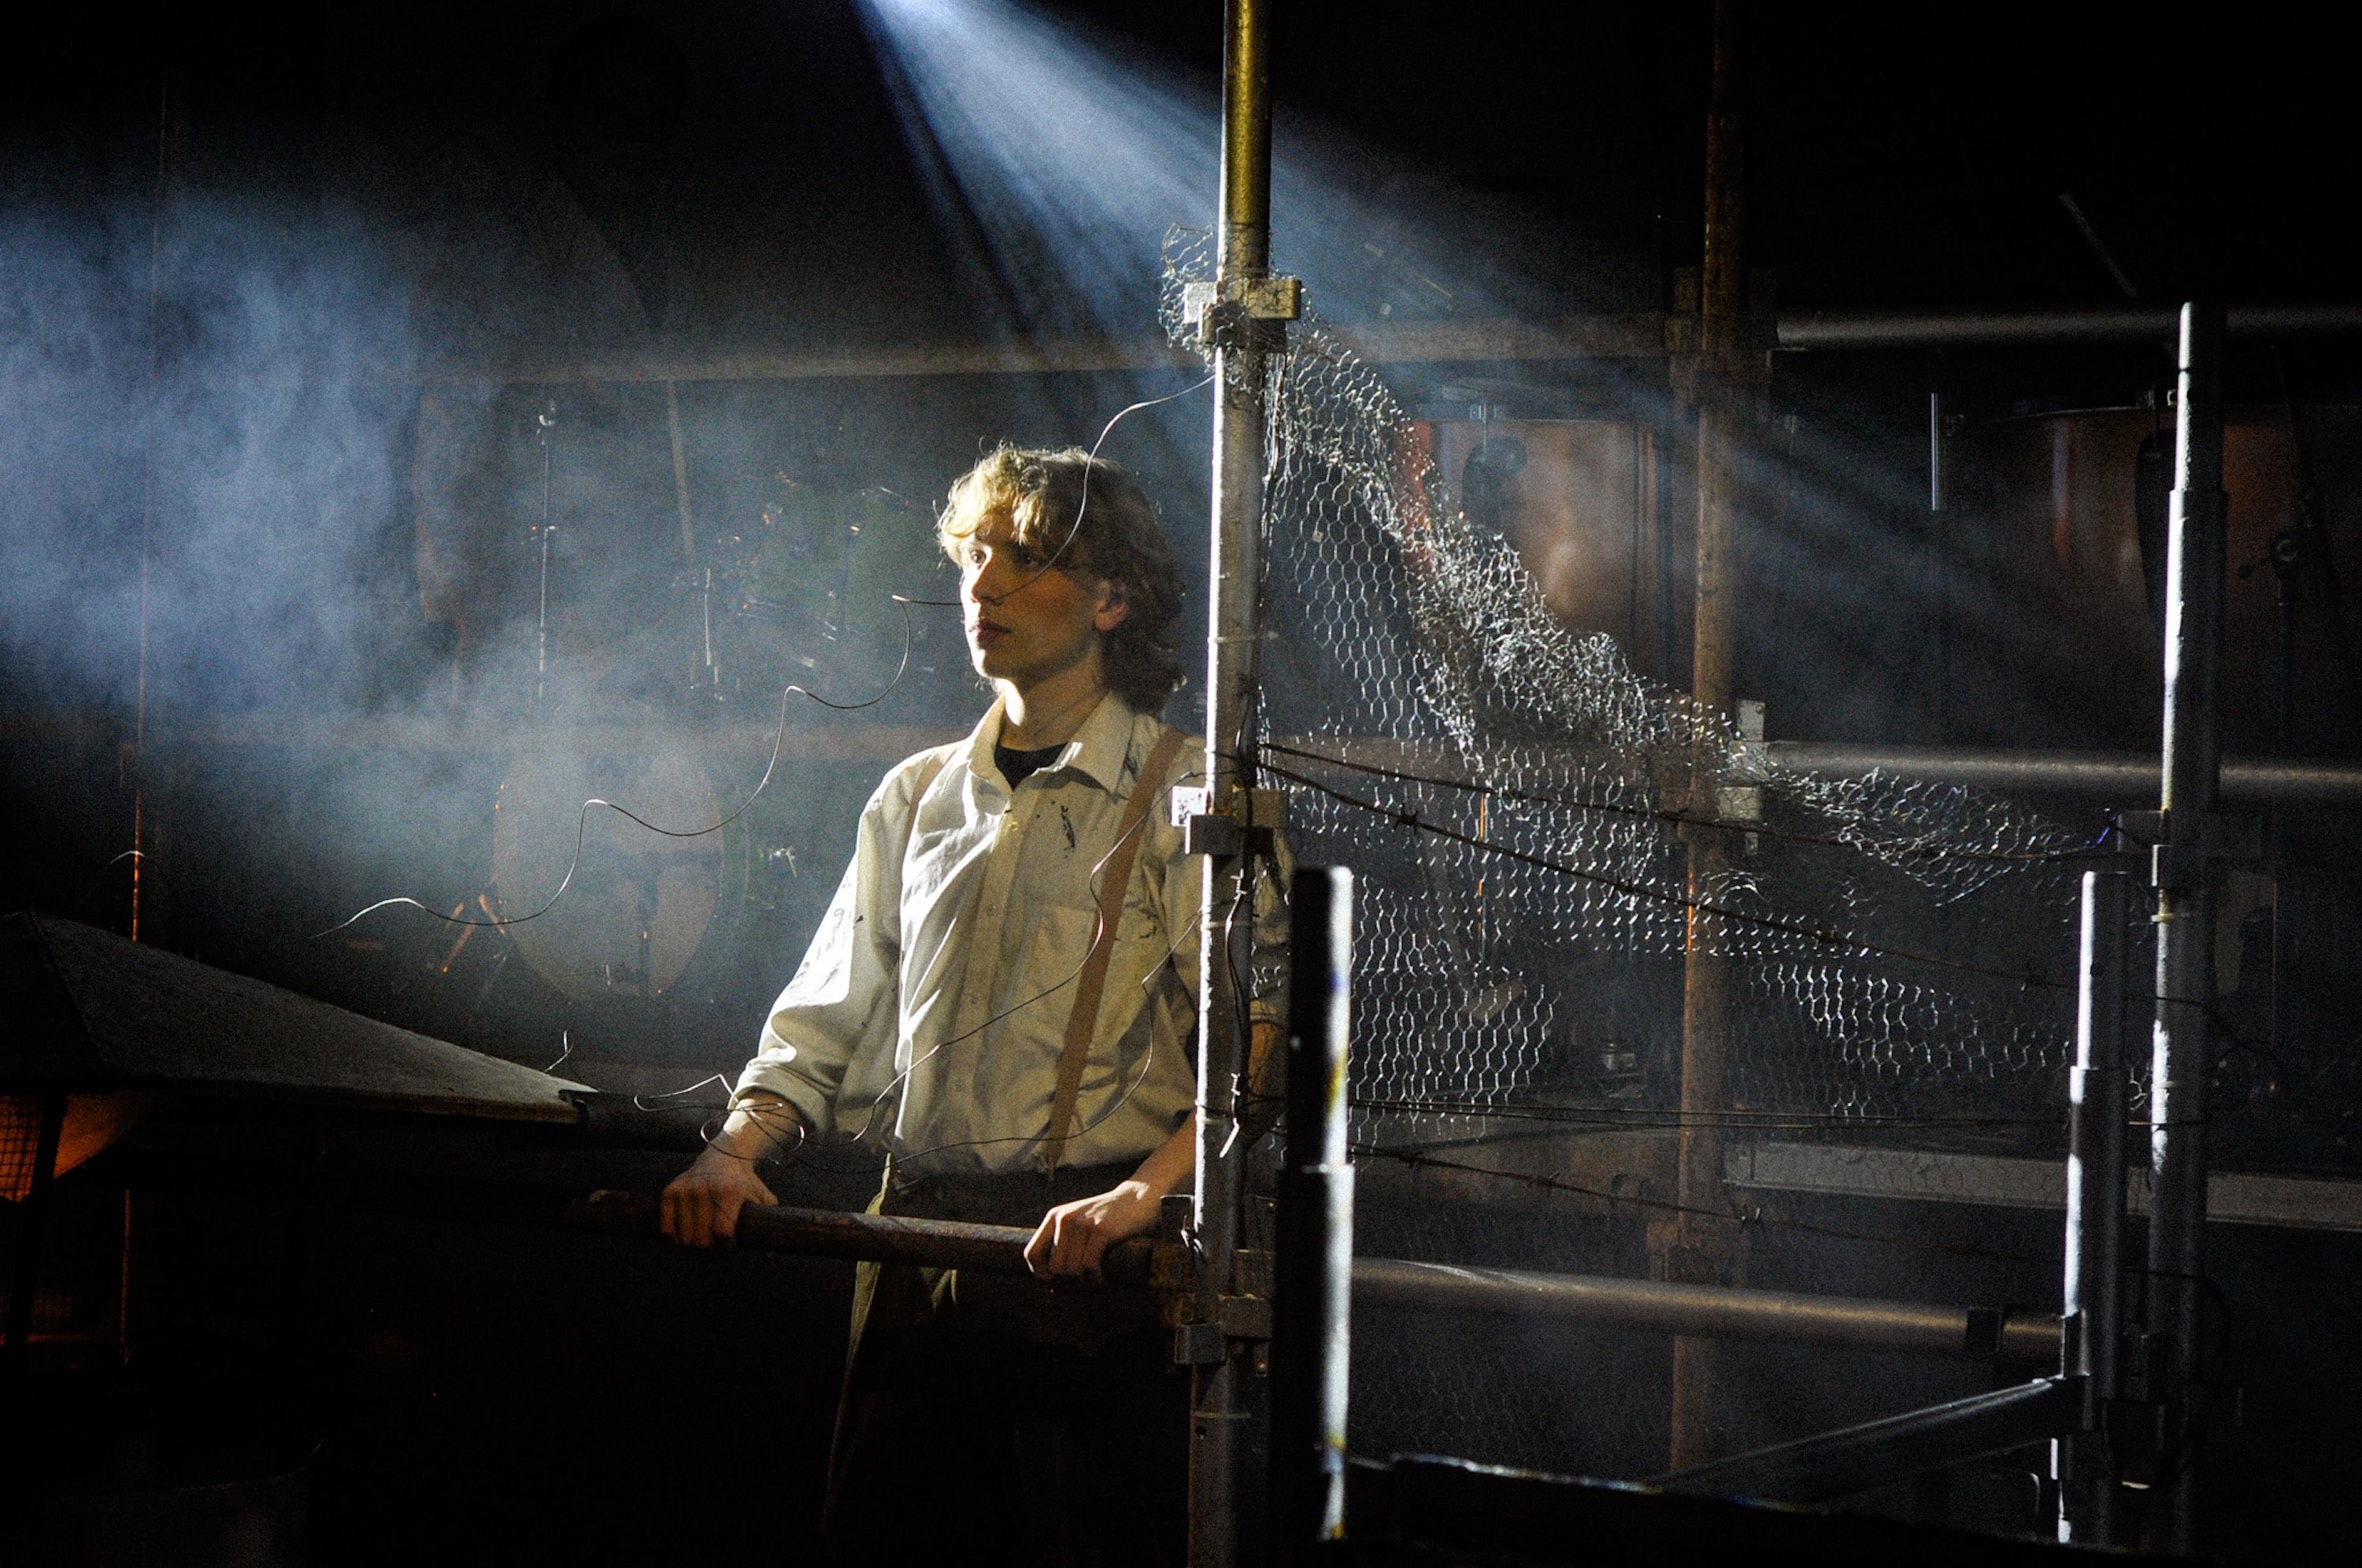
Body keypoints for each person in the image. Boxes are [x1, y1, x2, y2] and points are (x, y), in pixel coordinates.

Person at [661, 444, 1283, 1566]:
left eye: (1027, 558)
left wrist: (1144, 1196)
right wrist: (735, 1151)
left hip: (1089, 1268)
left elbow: (1262, 1051)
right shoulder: (916, 796)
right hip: (914, 1245)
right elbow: (828, 1011)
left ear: (1113, 599)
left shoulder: (1192, 799)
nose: (983, 584)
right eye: (977, 553)